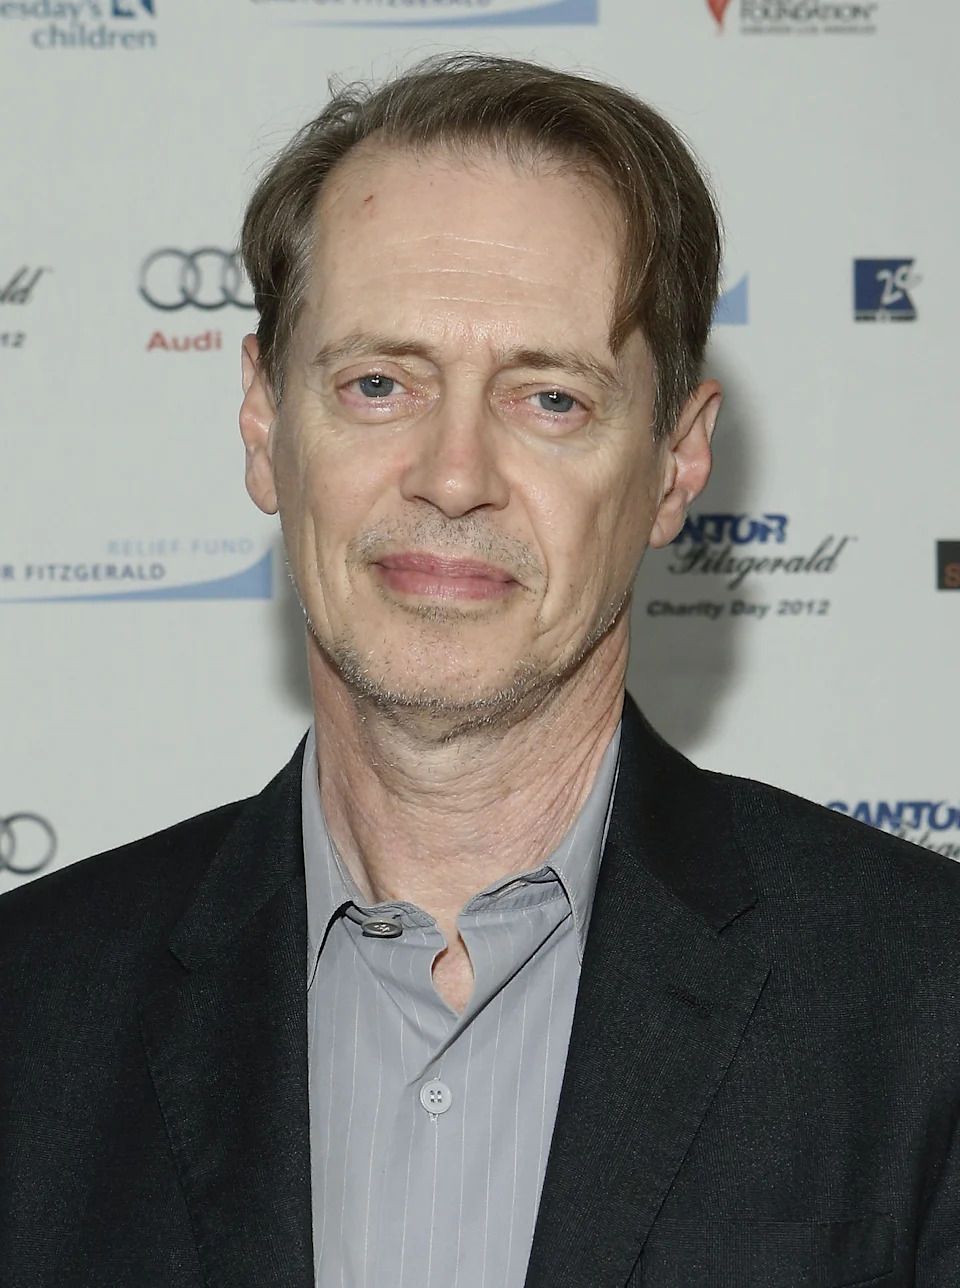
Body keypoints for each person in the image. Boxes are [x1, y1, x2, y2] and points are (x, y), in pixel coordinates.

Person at [0, 53, 957, 1288]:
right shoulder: (28, 1021)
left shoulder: (924, 1009)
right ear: (262, 424)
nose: (454, 474)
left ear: (675, 462)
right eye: (380, 383)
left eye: (550, 399)